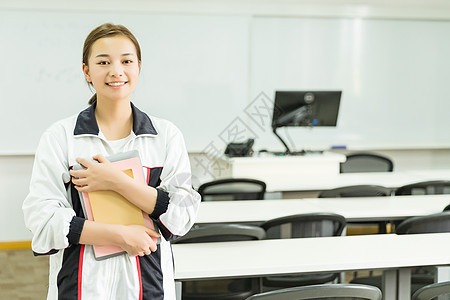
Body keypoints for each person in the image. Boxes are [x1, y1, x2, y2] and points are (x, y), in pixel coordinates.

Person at [22, 23, 201, 300]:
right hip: (81, 285)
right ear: (87, 71)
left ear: (139, 66)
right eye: (103, 62)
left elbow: (182, 214)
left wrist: (116, 182)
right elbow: (42, 219)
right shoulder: (60, 137)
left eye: (126, 61)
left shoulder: (165, 136)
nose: (116, 71)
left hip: (149, 282)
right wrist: (118, 235)